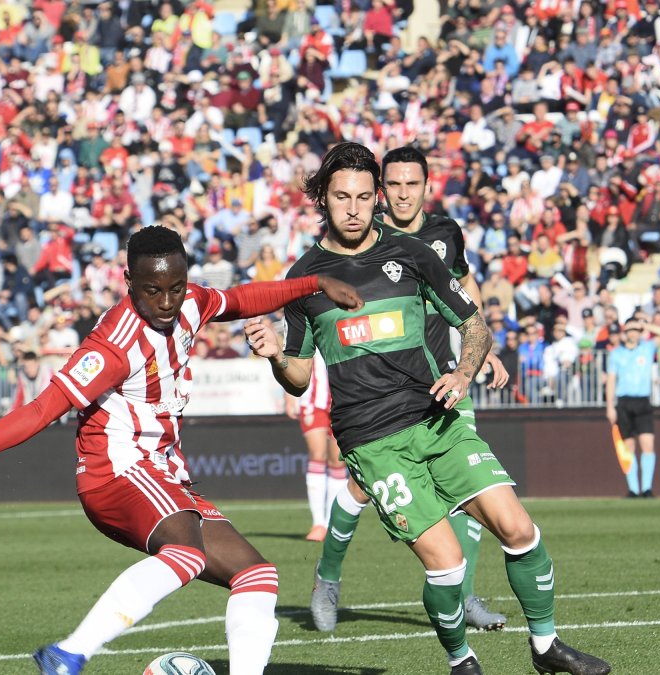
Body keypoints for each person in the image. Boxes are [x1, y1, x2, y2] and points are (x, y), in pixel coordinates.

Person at [0, 226, 363, 675]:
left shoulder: (192, 303)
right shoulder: (113, 344)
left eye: (176, 287)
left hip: (162, 473)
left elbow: (243, 298)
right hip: (116, 470)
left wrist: (314, 284)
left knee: (257, 575)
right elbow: (42, 407)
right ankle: (69, 653)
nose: (167, 302)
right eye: (153, 290)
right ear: (129, 282)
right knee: (186, 555)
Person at [244, 142, 610, 675]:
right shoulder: (305, 280)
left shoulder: (413, 254)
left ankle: (547, 648)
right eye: (342, 196)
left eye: (364, 196)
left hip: (438, 421)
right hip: (372, 441)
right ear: (323, 198)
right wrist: (277, 354)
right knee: (448, 564)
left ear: (377, 199)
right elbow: (299, 379)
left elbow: (473, 323)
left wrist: (463, 373)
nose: (354, 208)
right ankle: (461, 661)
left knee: (520, 530)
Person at [308, 145, 511, 634]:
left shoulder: (444, 234)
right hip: (383, 393)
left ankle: (464, 597)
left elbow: (465, 288)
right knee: (359, 488)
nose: (401, 194)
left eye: (411, 184)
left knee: (470, 485)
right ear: (382, 190)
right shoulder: (358, 235)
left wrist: (481, 346)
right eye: (393, 185)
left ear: (425, 186)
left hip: (444, 378)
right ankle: (327, 579)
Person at [286, 349, 348, 542]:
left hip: (344, 398)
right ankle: (318, 523)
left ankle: (331, 523)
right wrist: (289, 394)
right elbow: (293, 354)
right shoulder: (305, 320)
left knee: (338, 461)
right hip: (313, 399)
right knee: (317, 454)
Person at [605, 318, 660, 498]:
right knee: (628, 447)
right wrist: (610, 406)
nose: (633, 332)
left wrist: (645, 326)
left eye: (636, 329)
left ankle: (647, 488)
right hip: (624, 402)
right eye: (630, 329)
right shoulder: (616, 354)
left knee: (648, 444)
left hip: (643, 401)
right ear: (624, 332)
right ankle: (633, 488)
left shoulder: (647, 348)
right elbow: (611, 380)